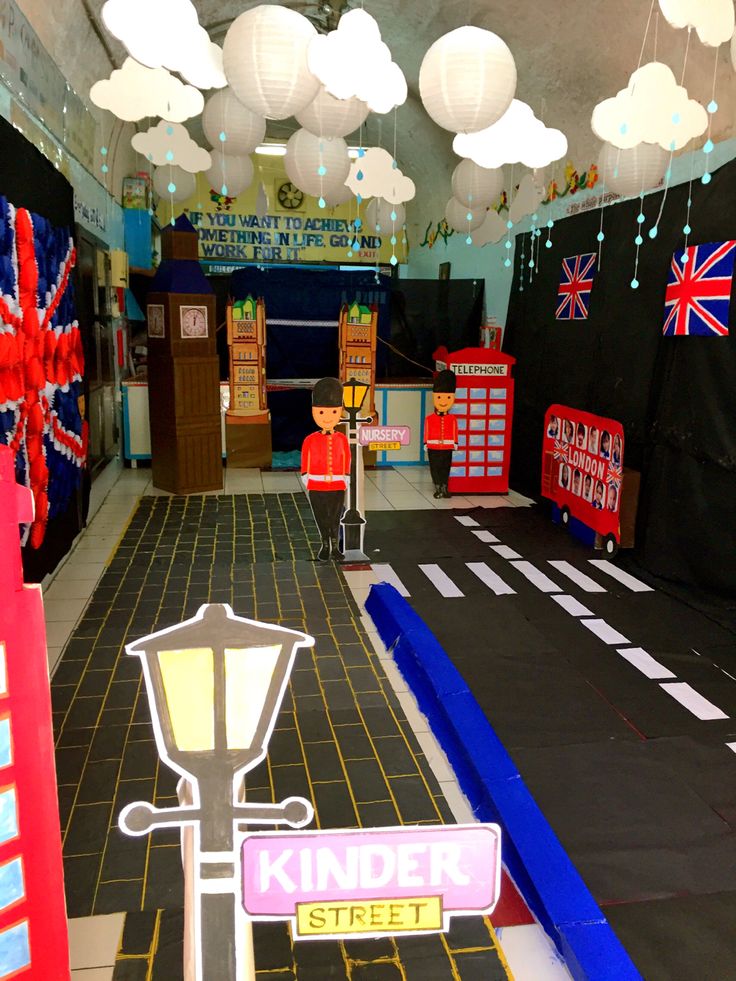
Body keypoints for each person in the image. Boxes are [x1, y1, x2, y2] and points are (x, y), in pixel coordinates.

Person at [301, 378, 351, 562]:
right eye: (322, 412)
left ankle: (335, 545)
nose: (327, 417)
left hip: (337, 484)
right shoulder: (310, 439)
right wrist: (306, 476)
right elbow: (305, 460)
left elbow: (346, 458)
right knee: (320, 515)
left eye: (333, 412)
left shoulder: (342, 439)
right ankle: (324, 543)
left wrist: (346, 476)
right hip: (316, 484)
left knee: (335, 516)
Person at [424, 369, 458, 499]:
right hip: (433, 446)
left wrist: (455, 442)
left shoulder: (452, 419)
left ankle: (444, 486)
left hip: (447, 446)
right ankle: (437, 486)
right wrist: (425, 443)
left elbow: (454, 430)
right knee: (435, 466)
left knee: (445, 466)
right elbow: (427, 430)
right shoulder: (429, 418)